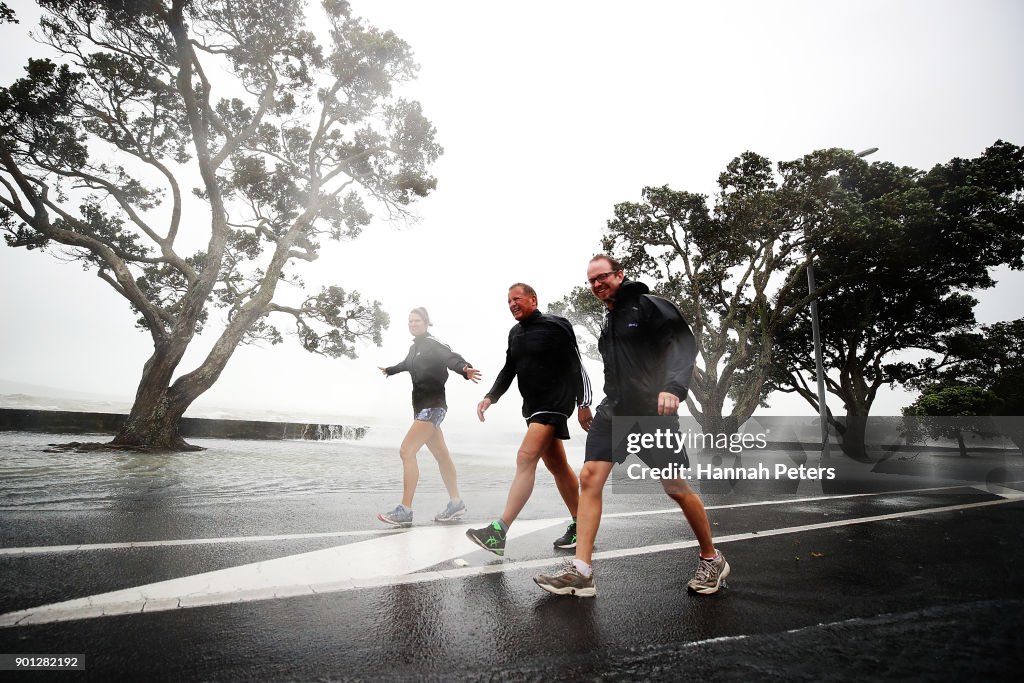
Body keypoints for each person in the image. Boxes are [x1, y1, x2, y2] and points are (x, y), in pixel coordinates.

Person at [533, 255, 730, 597]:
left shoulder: (649, 306)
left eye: (602, 277)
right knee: (590, 477)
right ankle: (581, 571)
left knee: (675, 487)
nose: (597, 285)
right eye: (591, 280)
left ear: (620, 275)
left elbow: (682, 344)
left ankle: (712, 559)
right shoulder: (608, 320)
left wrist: (674, 387)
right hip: (615, 412)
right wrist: (591, 404)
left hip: (652, 412)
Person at [465, 283, 593, 556]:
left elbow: (576, 364)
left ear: (532, 299)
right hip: (533, 407)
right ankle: (581, 525)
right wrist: (491, 397)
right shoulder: (515, 333)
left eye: (517, 298)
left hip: (555, 402)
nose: (512, 304)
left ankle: (498, 533)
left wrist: (583, 403)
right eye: (508, 300)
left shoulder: (556, 325)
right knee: (557, 465)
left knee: (525, 458)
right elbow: (509, 368)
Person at [377, 307, 481, 527]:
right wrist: (390, 370)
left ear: (426, 322)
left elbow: (451, 358)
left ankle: (405, 510)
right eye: (410, 321)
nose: (413, 324)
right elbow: (407, 365)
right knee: (442, 455)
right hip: (422, 408)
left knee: (406, 451)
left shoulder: (433, 344)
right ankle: (456, 502)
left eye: (417, 321)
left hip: (433, 407)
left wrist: (465, 369)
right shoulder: (414, 349)